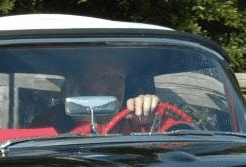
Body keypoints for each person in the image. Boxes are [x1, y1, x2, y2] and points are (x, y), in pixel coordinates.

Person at [31, 55, 165, 133]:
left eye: (119, 78)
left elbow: (181, 136)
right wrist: (85, 121)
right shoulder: (50, 122)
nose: (114, 86)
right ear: (78, 84)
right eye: (104, 77)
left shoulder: (132, 117)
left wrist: (155, 115)